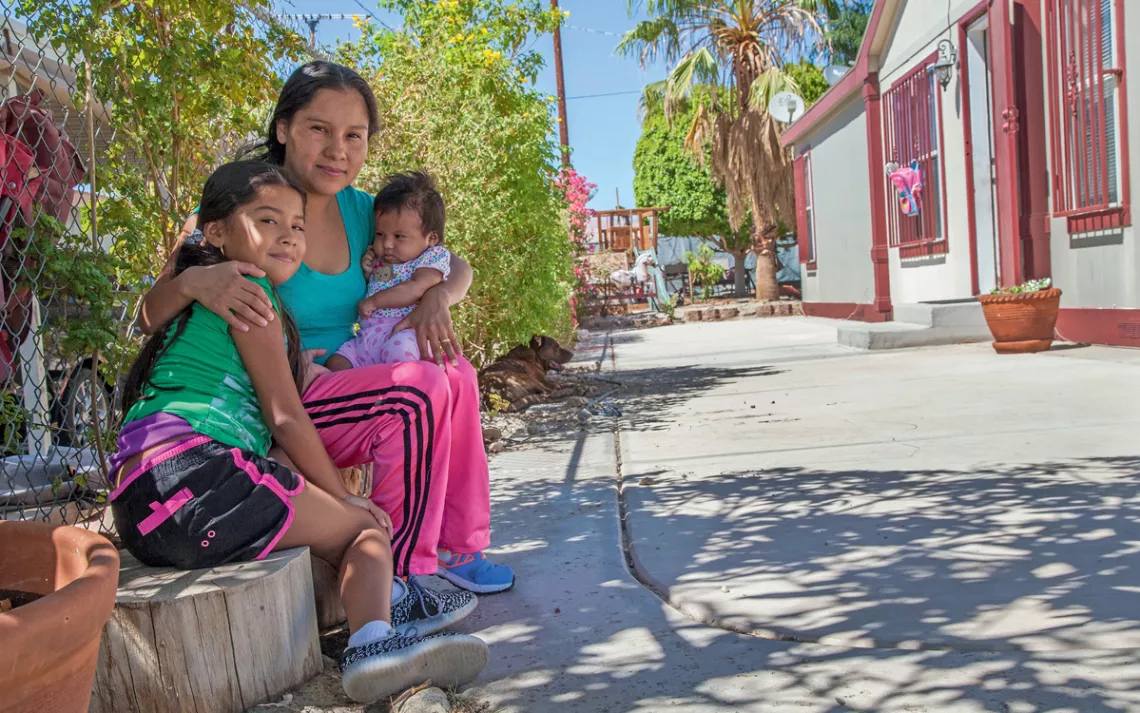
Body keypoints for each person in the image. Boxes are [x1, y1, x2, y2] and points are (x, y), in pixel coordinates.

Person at [110, 161, 487, 703]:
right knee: (363, 533)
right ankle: (375, 643)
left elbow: (148, 312)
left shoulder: (196, 293)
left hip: (142, 505)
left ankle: (384, 620)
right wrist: (343, 498)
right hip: (197, 479)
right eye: (269, 221)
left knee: (288, 475)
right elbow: (286, 414)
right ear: (216, 232)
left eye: (297, 226)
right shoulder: (251, 294)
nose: (288, 237)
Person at [137, 61, 514, 594]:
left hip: (352, 390)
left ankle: (459, 546)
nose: (339, 150)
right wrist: (196, 283)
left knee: (456, 373)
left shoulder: (365, 212)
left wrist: (438, 297)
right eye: (320, 129)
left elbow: (456, 264)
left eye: (354, 136)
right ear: (284, 128)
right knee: (420, 388)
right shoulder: (242, 208)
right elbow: (148, 314)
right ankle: (402, 570)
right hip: (279, 401)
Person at [327, 171, 452, 370]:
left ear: (431, 238)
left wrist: (374, 301)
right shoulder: (382, 260)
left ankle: (394, 397)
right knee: (336, 362)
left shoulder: (431, 257)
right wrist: (368, 274)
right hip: (367, 338)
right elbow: (379, 284)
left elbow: (415, 288)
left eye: (399, 236)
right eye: (380, 234)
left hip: (402, 332)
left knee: (400, 358)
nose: (387, 244)